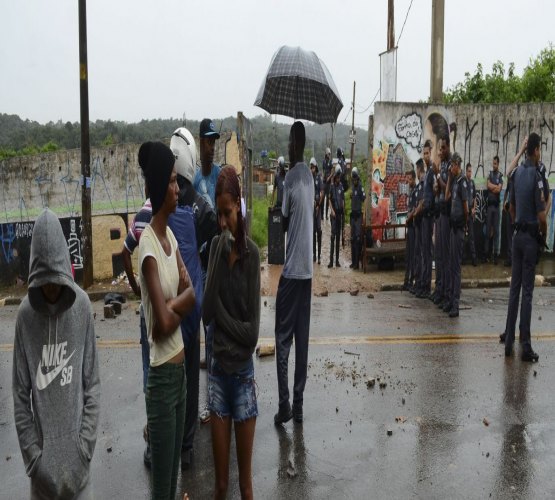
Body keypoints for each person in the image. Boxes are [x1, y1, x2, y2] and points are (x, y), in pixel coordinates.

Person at [13, 208, 100, 499]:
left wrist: (84, 450)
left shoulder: (83, 307)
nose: (50, 287)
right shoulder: (25, 318)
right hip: (42, 482)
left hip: (80, 476)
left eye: (55, 278)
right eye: (44, 280)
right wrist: (36, 462)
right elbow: (20, 396)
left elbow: (93, 386)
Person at [139, 141, 196, 499]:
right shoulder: (148, 248)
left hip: (180, 376)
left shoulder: (170, 237)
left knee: (174, 481)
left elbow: (193, 294)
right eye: (173, 182)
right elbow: (159, 324)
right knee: (163, 490)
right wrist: (180, 305)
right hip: (161, 381)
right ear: (161, 186)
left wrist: (174, 305)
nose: (178, 188)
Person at [203, 165, 261, 500]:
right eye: (219, 215)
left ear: (238, 204)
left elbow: (251, 335)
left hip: (242, 377)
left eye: (227, 213)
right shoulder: (214, 247)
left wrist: (222, 319)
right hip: (217, 376)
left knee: (246, 485)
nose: (223, 222)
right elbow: (205, 312)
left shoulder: (252, 255)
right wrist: (219, 259)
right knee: (221, 485)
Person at [168, 127, 214, 470]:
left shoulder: (160, 202)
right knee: (189, 376)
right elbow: (214, 232)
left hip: (168, 304)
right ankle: (185, 445)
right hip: (192, 303)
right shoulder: (199, 207)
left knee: (169, 374)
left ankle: (168, 441)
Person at [274, 121, 314, 425]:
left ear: (292, 144)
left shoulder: (288, 180)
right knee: (302, 339)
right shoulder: (311, 178)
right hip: (308, 274)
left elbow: (284, 221)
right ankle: (299, 406)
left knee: (282, 340)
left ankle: (285, 404)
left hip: (290, 273)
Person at [121, 141, 154, 467]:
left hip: (148, 309)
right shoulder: (161, 211)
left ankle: (153, 440)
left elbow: (124, 252)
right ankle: (158, 439)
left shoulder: (145, 212)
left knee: (150, 374)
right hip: (161, 308)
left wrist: (135, 289)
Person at [501, 133, 546, 362]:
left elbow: (510, 207)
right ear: (536, 150)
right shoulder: (537, 176)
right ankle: (525, 346)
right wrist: (543, 233)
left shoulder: (516, 173)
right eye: (539, 149)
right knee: (527, 293)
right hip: (529, 238)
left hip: (517, 236)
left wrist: (515, 223)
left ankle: (508, 342)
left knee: (514, 291)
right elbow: (541, 216)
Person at [443, 153, 468, 317]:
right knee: (451, 265)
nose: (451, 168)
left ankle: (456, 304)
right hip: (453, 227)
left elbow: (466, 207)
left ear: (458, 165)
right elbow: (446, 198)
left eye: (453, 165)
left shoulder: (463, 182)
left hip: (459, 228)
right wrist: (450, 180)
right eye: (451, 165)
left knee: (456, 268)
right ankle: (451, 301)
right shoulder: (454, 182)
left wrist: (465, 226)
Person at [436, 136, 453, 307]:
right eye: (440, 148)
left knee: (447, 257)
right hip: (440, 211)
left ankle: (448, 294)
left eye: (443, 148)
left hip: (448, 213)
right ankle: (441, 291)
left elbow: (446, 187)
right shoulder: (442, 164)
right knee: (439, 254)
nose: (441, 151)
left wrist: (437, 179)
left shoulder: (450, 164)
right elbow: (439, 187)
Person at [419, 142, 435, 298]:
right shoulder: (426, 173)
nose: (425, 156)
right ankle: (424, 284)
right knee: (424, 251)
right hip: (424, 215)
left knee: (428, 252)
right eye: (423, 154)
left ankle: (427, 286)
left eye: (427, 153)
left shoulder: (433, 172)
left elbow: (435, 193)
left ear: (431, 153)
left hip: (430, 216)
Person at [193, 118, 221, 210]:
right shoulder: (194, 180)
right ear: (201, 143)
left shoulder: (220, 176)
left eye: (213, 143)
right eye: (209, 142)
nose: (212, 148)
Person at [484, 155, 503, 264]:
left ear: (498, 164)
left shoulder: (500, 175)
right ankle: (486, 254)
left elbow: (499, 189)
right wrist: (493, 186)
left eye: (495, 163)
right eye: (493, 163)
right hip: (490, 207)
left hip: (496, 207)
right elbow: (488, 185)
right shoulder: (490, 174)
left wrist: (494, 187)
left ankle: (495, 255)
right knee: (488, 232)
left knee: (496, 231)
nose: (494, 165)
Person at [328, 165, 345, 268]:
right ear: (335, 177)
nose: (338, 179)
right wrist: (332, 210)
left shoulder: (341, 187)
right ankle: (331, 261)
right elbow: (329, 199)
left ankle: (337, 261)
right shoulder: (332, 187)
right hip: (333, 215)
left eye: (339, 177)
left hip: (339, 214)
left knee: (338, 237)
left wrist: (343, 207)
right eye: (337, 177)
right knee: (333, 236)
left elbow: (342, 199)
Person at [403, 169, 418, 289]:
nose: (407, 181)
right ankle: (407, 281)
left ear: (413, 178)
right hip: (409, 226)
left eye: (408, 179)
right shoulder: (411, 191)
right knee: (408, 254)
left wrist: (409, 218)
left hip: (414, 226)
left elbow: (415, 208)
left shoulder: (416, 190)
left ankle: (412, 280)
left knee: (413, 254)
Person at [350, 167, 366, 270]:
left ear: (358, 178)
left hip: (359, 216)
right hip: (353, 216)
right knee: (352, 239)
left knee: (358, 238)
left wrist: (363, 215)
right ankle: (353, 262)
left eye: (356, 179)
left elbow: (364, 201)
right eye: (353, 179)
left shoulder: (360, 187)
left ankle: (357, 263)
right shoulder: (353, 187)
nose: (355, 181)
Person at [310, 157, 324, 264]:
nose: (312, 169)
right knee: (313, 232)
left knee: (319, 230)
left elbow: (322, 192)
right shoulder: (308, 179)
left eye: (313, 167)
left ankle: (319, 255)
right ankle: (314, 255)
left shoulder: (319, 178)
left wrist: (318, 204)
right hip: (311, 208)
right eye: (311, 167)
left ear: (316, 167)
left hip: (318, 208)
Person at [464, 163, 477, 266]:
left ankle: (473, 258)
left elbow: (475, 198)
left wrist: (474, 209)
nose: (470, 173)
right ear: (465, 171)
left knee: (472, 237)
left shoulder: (472, 183)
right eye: (468, 171)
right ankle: (463, 259)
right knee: (463, 237)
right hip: (464, 215)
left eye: (470, 171)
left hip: (471, 214)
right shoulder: (463, 183)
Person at [322, 147, 333, 220]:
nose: (329, 155)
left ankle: (326, 215)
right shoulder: (323, 161)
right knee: (322, 198)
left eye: (330, 154)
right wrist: (323, 176)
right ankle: (322, 215)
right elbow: (323, 170)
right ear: (326, 154)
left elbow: (332, 172)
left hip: (328, 183)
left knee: (328, 198)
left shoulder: (331, 162)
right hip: (324, 182)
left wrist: (329, 177)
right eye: (328, 154)